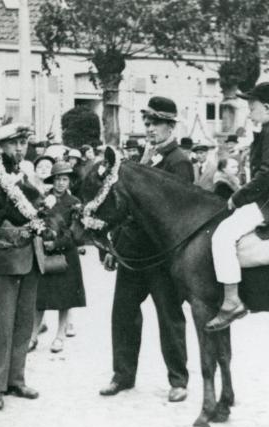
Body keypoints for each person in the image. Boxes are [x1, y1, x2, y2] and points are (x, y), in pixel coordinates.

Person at [100, 95, 191, 402]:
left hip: (161, 255)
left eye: (155, 124)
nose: (149, 130)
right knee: (122, 314)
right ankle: (122, 375)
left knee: (169, 316)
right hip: (133, 253)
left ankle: (178, 379)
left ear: (169, 126)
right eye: (147, 124)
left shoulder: (180, 161)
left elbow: (177, 213)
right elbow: (126, 207)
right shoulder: (143, 158)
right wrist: (116, 247)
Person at [207, 82, 269, 331]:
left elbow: (268, 174)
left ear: (267, 108)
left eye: (252, 107)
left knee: (222, 236)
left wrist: (238, 197)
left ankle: (231, 301)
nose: (249, 112)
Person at [0, 123, 39, 411]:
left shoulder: (27, 173)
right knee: (0, 323)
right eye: (14, 144)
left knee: (24, 322)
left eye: (23, 143)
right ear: (0, 146)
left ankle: (15, 378)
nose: (19, 149)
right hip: (5, 255)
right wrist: (17, 234)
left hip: (31, 256)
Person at [32, 161, 86, 354]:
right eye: (57, 179)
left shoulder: (75, 203)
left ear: (69, 181)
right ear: (52, 181)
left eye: (65, 179)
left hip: (66, 254)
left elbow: (75, 233)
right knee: (41, 296)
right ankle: (33, 335)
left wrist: (56, 243)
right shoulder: (43, 200)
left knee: (65, 298)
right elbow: (35, 221)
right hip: (45, 253)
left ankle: (60, 336)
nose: (61, 183)